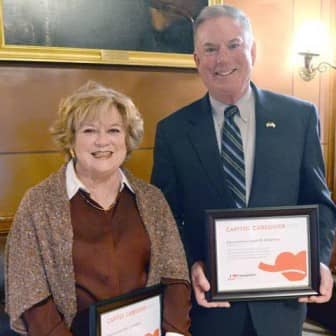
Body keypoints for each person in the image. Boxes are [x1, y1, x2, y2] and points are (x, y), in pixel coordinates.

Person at [151, 4, 336, 336]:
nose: (222, 59)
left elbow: (319, 201)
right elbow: (165, 218)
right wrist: (191, 264)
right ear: (197, 59)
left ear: (252, 50)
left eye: (234, 45)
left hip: (281, 306)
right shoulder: (173, 131)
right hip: (211, 308)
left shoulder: (300, 117)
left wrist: (318, 260)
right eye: (210, 49)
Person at [5, 81, 191, 335]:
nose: (103, 142)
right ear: (71, 139)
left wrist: (174, 332)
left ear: (127, 139)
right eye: (90, 131)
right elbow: (30, 291)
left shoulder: (152, 199)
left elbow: (175, 273)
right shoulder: (38, 204)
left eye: (114, 130)